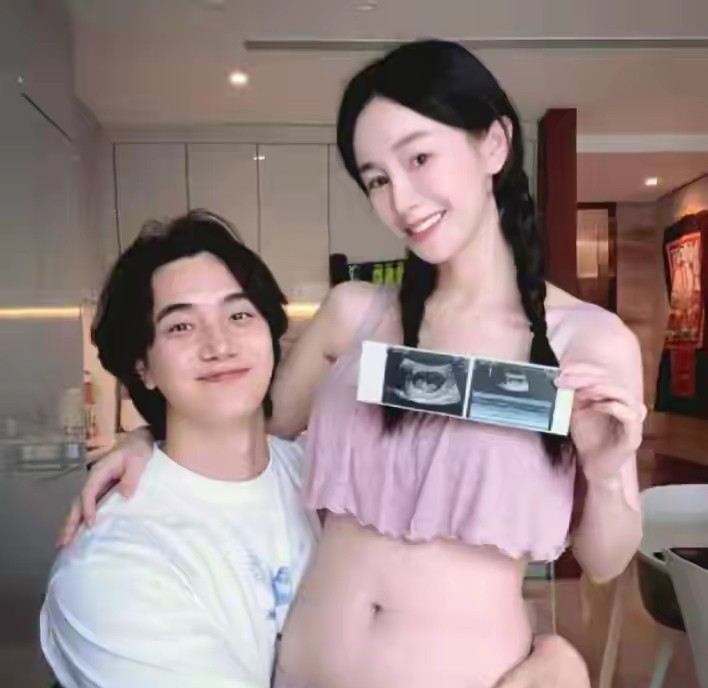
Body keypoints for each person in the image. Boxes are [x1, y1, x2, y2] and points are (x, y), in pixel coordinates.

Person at [60, 39, 647, 687]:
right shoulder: (354, 315)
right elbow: (246, 433)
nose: (402, 200)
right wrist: (149, 438)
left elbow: (605, 561)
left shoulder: (589, 341)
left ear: (493, 144)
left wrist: (607, 473)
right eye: (377, 179)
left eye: (419, 157)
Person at [40, 212, 319, 687]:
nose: (220, 345)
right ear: (143, 366)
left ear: (270, 336)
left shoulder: (319, 474)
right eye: (181, 327)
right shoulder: (113, 567)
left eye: (239, 315)